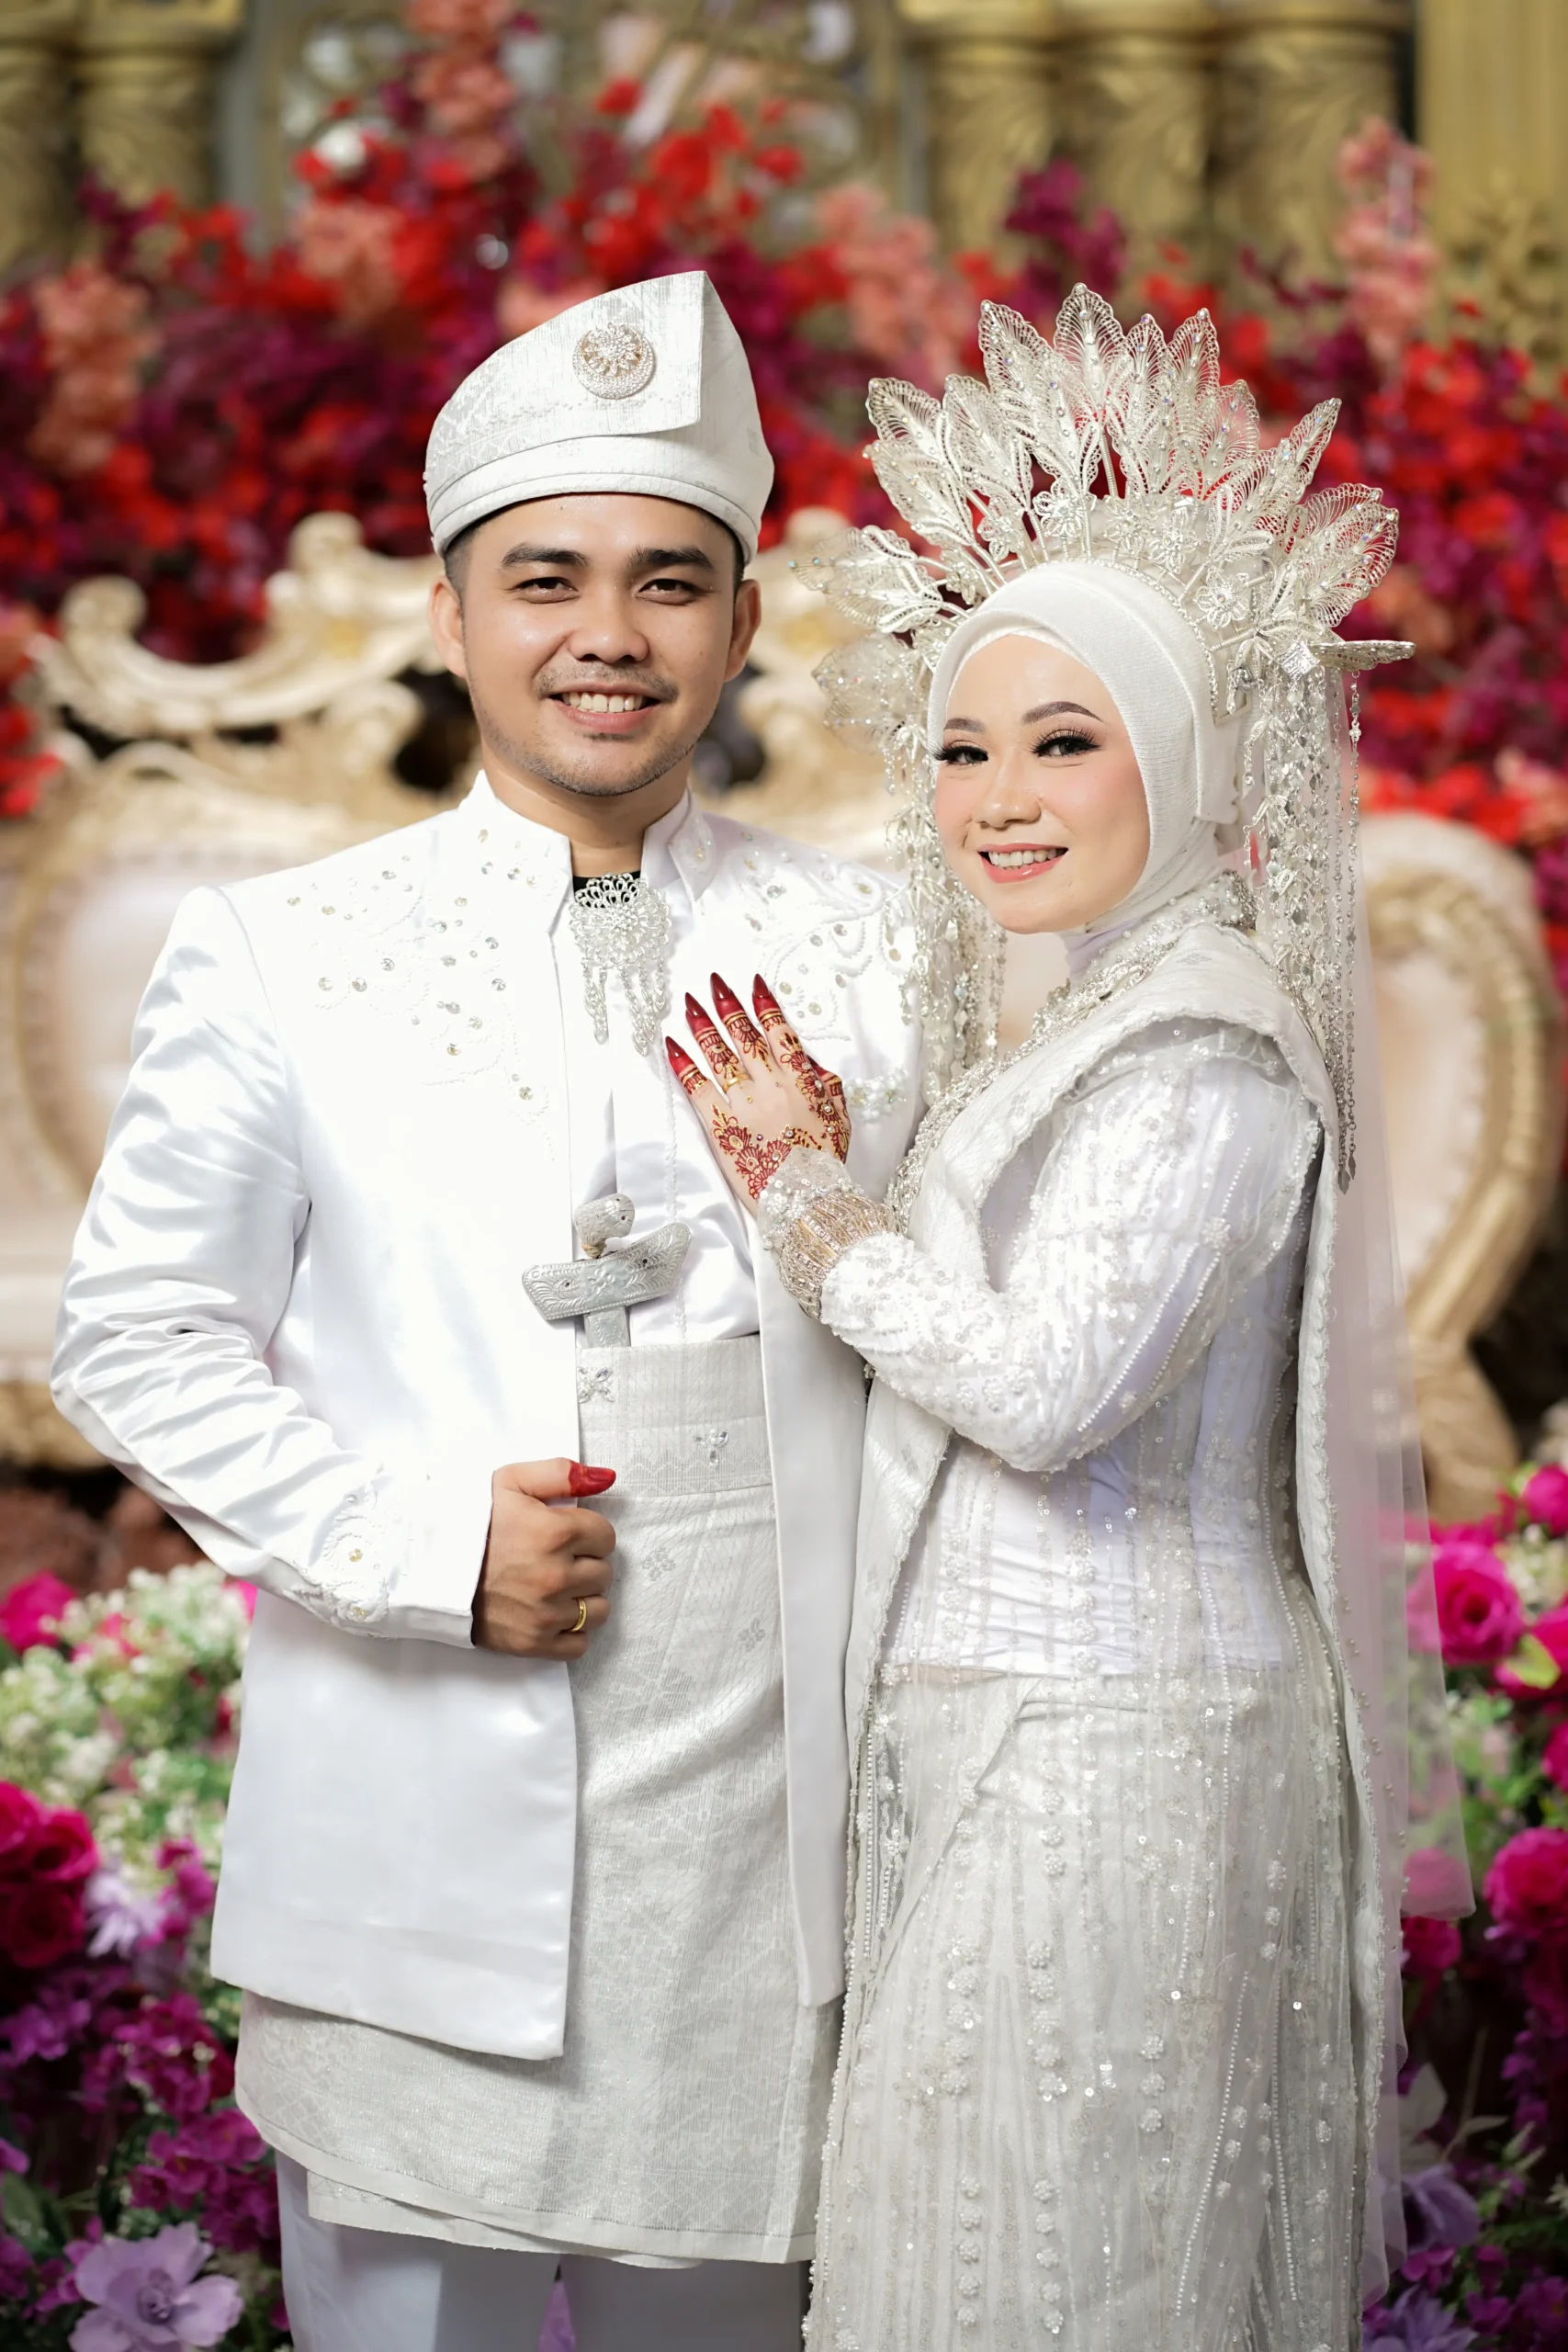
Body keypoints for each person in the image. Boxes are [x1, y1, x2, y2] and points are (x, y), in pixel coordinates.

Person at [51, 271, 922, 2352]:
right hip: (412, 1840)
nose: (607, 632)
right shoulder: (282, 951)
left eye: (667, 580)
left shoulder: (884, 942)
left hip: (771, 1868)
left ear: (740, 619)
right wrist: (427, 1549)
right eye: (546, 579)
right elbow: (138, 1331)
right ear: (446, 614)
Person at [670, 287, 1469, 2351]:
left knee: (1072, 2271)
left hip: (1120, 1749)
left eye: (1061, 741)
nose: (997, 795)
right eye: (960, 745)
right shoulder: (1089, 1017)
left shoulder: (1204, 1046)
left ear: (1182, 759)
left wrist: (803, 1195)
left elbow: (1039, 1388)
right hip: (1012, 1732)